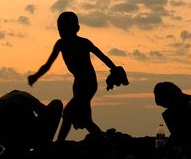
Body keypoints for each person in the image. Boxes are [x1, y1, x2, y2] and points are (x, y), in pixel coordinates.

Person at [28, 11, 124, 142]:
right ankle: (103, 143)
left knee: (68, 113)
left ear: (76, 29)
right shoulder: (60, 44)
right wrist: (36, 76)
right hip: (78, 84)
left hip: (89, 83)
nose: (63, 32)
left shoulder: (84, 43)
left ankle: (59, 144)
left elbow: (103, 57)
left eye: (66, 28)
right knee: (85, 120)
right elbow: (48, 64)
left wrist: (114, 70)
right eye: (60, 29)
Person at [0, 90, 63, 154]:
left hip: (7, 140)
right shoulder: (23, 95)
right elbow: (43, 111)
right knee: (56, 103)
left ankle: (13, 148)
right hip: (28, 137)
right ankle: (44, 146)